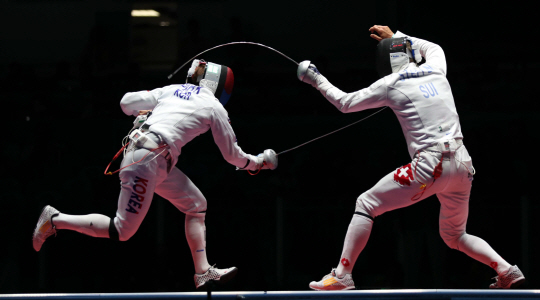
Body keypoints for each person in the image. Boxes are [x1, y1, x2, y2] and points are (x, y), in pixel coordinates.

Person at [298, 25, 525, 290]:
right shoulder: (437, 67)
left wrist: (315, 78)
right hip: (463, 164)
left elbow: (345, 103)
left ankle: (342, 274)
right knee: (454, 235)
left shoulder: (391, 83)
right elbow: (433, 48)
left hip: (430, 165)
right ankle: (506, 269)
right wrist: (397, 37)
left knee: (367, 203)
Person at [32, 59, 278, 290]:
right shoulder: (214, 107)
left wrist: (144, 114)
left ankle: (202, 271)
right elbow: (232, 156)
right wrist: (258, 163)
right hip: (147, 160)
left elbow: (126, 103)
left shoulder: (171, 90)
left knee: (196, 205)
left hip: (155, 160)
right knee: (122, 230)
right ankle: (55, 219)